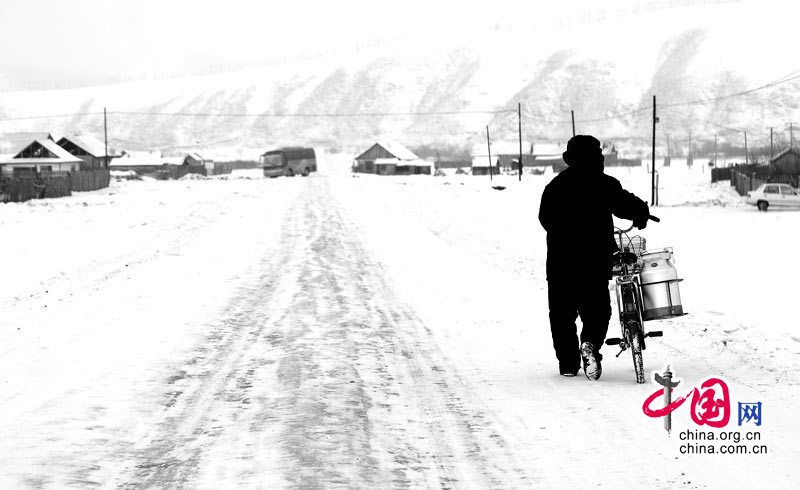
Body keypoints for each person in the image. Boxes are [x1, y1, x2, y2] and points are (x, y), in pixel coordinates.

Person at [538, 135, 650, 380]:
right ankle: (589, 343)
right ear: (596, 158)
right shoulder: (604, 184)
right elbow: (625, 205)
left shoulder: (555, 187)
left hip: (561, 264)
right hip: (595, 262)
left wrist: (564, 235)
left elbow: (544, 219)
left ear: (570, 158)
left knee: (561, 315)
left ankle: (568, 364)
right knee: (597, 311)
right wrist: (642, 213)